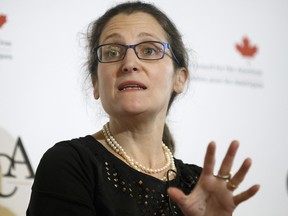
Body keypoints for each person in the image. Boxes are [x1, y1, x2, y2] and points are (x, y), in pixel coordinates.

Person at [26, 1, 260, 215]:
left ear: (180, 78)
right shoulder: (70, 163)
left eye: (149, 50)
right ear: (96, 83)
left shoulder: (196, 183)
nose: (129, 64)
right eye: (113, 52)